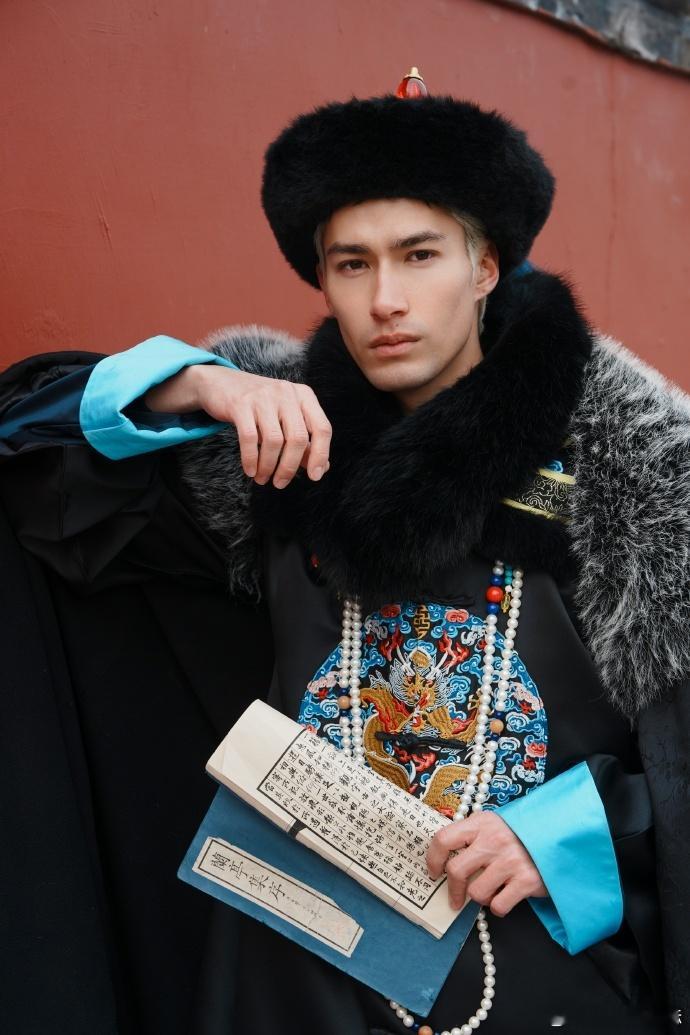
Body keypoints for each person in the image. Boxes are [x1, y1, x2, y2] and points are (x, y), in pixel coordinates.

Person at [1, 73, 688, 1035]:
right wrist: (200, 387)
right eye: (352, 264)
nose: (386, 301)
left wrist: (567, 838)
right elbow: (34, 472)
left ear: (486, 266)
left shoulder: (632, 473)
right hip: (289, 979)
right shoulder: (271, 451)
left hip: (535, 983)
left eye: (419, 254)